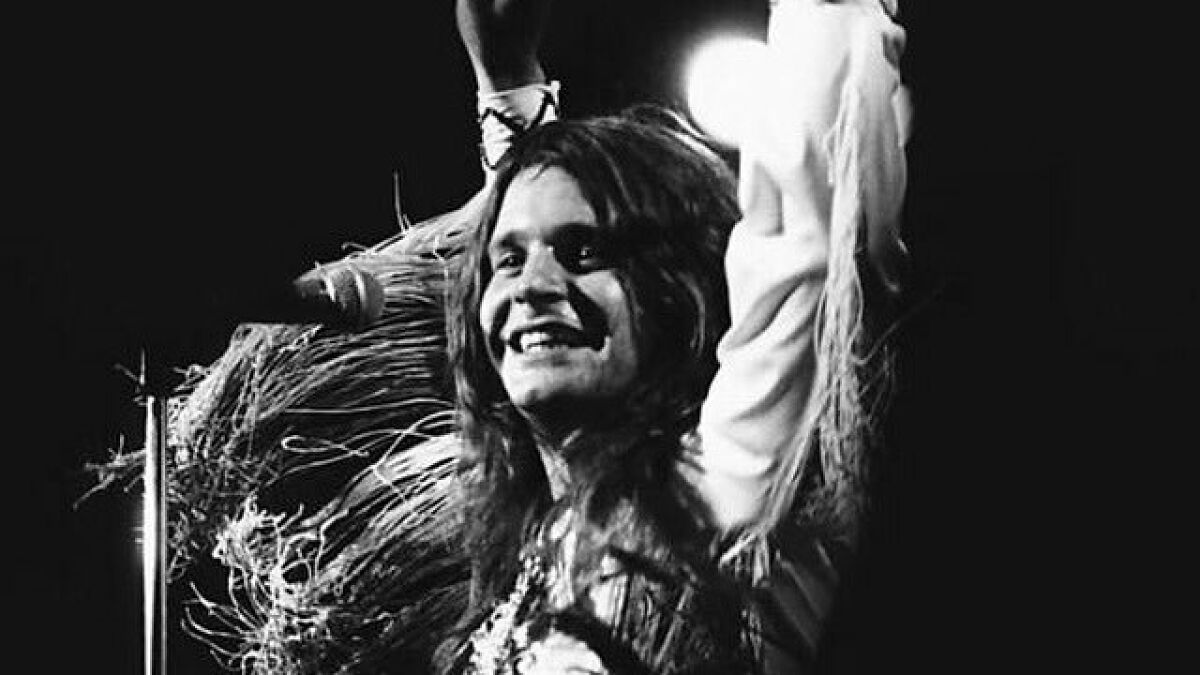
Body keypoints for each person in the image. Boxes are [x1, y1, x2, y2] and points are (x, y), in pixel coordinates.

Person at [91, 0, 909, 672]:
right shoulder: (527, 563)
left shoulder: (731, 484)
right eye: (507, 261)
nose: (530, 287)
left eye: (585, 252)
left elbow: (809, 209)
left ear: (678, 296)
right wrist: (506, 80)